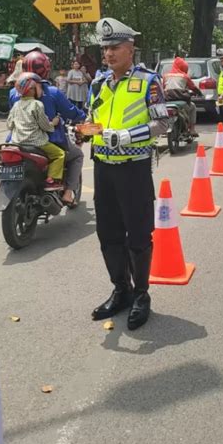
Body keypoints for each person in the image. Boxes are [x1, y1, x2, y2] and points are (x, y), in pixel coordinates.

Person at [89, 17, 169, 329]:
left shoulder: (149, 82)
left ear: (130, 48)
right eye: (104, 48)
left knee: (137, 234)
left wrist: (127, 136)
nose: (108, 53)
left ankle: (141, 294)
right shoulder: (98, 83)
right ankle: (120, 289)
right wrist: (82, 130)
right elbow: (95, 120)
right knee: (107, 234)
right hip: (103, 168)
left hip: (133, 170)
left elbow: (162, 124)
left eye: (114, 47)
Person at [9, 50, 86, 207]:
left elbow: (11, 121)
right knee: (77, 155)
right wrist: (81, 116)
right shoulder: (51, 92)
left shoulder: (13, 93)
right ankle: (68, 192)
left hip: (16, 141)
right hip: (48, 141)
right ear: (46, 69)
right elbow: (70, 112)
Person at [7, 73, 65, 189]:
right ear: (31, 90)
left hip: (17, 143)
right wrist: (54, 123)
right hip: (37, 142)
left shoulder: (16, 105)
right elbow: (45, 126)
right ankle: (51, 180)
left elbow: (9, 125)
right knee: (60, 154)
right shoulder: (37, 104)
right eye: (36, 87)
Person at [162, 57, 200, 136]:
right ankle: (192, 129)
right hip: (181, 101)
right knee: (193, 107)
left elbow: (163, 87)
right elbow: (193, 87)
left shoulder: (165, 76)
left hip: (168, 101)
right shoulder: (184, 76)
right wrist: (198, 93)